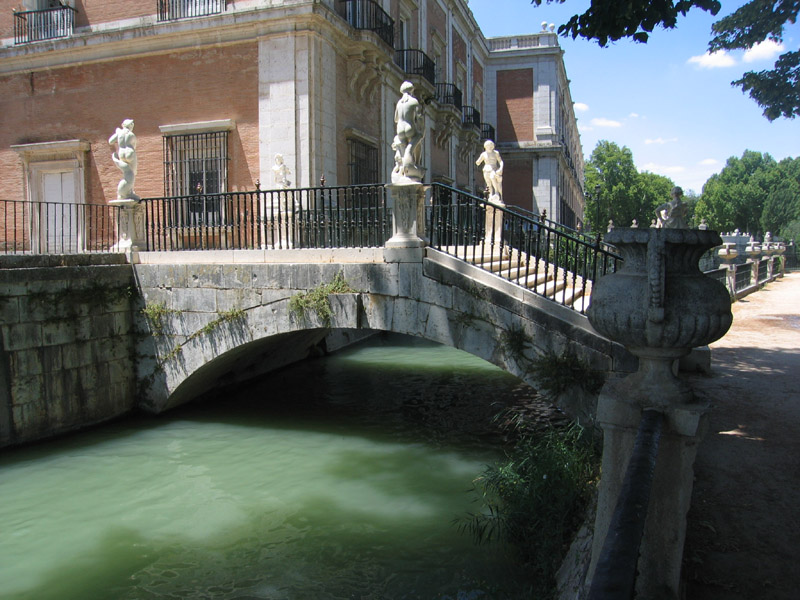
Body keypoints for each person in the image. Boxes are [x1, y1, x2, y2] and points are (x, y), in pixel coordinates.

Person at [393, 81, 425, 181]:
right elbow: (419, 118)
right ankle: (416, 163)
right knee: (418, 140)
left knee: (404, 148)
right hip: (409, 127)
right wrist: (422, 129)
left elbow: (396, 119)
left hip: (400, 129)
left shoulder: (399, 103)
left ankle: (403, 165)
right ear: (412, 90)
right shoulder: (414, 101)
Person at [108, 119, 139, 200]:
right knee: (132, 173)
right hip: (130, 152)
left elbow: (110, 141)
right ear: (131, 126)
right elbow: (134, 146)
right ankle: (129, 192)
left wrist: (117, 133)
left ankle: (126, 192)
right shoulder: (131, 134)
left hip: (121, 153)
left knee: (127, 173)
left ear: (123, 125)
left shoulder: (119, 133)